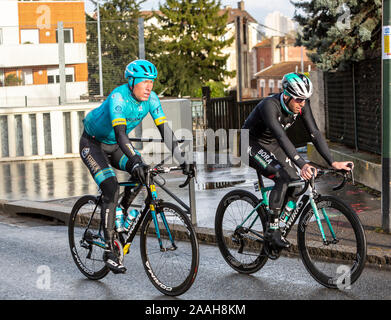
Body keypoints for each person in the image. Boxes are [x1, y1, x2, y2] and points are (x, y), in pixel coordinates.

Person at [80, 59, 189, 273]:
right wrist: (136, 160)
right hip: (93, 144)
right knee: (111, 186)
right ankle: (110, 250)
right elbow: (121, 134)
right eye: (144, 81)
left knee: (144, 173)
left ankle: (119, 211)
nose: (149, 86)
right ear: (131, 82)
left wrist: (184, 159)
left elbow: (165, 131)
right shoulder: (118, 97)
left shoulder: (151, 99)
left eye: (152, 82)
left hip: (115, 145)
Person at [242, 72, 353, 249]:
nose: (302, 104)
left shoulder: (302, 105)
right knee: (281, 176)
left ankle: (279, 220)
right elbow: (281, 136)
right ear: (286, 95)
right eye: (299, 99)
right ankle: (272, 231)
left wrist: (332, 162)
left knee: (297, 182)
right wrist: (302, 163)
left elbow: (315, 133)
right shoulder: (269, 106)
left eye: (305, 99)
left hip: (272, 144)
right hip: (249, 144)